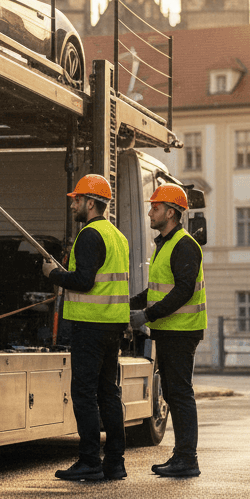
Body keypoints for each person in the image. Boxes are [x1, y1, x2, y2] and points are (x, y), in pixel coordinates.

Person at [42, 174, 130, 481]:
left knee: (84, 394)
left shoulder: (90, 235)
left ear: (91, 203)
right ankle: (115, 463)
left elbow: (84, 281)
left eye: (77, 200)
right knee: (108, 393)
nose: (73, 205)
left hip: (90, 327)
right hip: (111, 326)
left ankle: (90, 460)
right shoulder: (117, 237)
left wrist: (54, 274)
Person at [130, 184, 207, 478]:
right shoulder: (167, 244)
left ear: (171, 212)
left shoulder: (184, 245)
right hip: (170, 330)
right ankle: (183, 456)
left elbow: (183, 291)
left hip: (181, 330)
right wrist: (130, 304)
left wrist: (147, 315)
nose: (150, 213)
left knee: (180, 393)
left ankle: (187, 459)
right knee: (174, 394)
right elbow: (156, 291)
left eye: (156, 208)